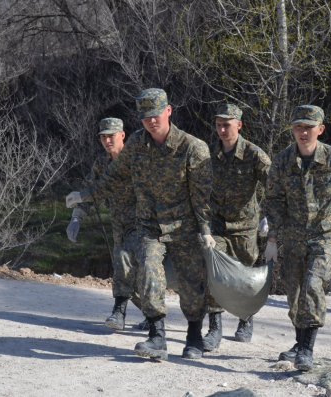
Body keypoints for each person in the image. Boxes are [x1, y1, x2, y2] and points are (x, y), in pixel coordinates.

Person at [66, 88, 215, 361]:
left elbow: (201, 196)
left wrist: (205, 230)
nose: (151, 121)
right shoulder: (136, 144)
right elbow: (114, 177)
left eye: (156, 114)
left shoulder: (192, 147)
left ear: (168, 110)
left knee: (192, 284)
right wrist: (86, 196)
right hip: (148, 225)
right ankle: (157, 336)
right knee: (148, 273)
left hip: (184, 226)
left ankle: (194, 335)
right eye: (145, 116)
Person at [265, 105, 331, 371]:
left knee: (313, 285)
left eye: (308, 127)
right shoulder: (282, 161)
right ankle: (299, 341)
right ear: (292, 129)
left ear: (320, 129)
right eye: (298, 127)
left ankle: (306, 349)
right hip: (292, 237)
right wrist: (272, 238)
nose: (303, 132)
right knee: (294, 292)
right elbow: (274, 201)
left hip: (324, 234)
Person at [66, 118, 147, 331]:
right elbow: (90, 190)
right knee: (128, 270)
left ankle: (119, 312)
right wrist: (77, 217)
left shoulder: (137, 161)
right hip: (119, 225)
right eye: (103, 137)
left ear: (123, 135)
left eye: (111, 135)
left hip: (142, 224)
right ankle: (151, 314)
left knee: (127, 264)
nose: (107, 140)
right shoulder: (102, 163)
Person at [202, 103, 271, 351]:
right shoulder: (208, 154)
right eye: (218, 125)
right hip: (218, 224)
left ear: (239, 125)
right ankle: (214, 326)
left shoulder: (254, 155)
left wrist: (270, 216)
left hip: (245, 226)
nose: (221, 129)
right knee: (214, 270)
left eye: (226, 124)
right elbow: (197, 188)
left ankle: (245, 319)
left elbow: (275, 187)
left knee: (245, 276)